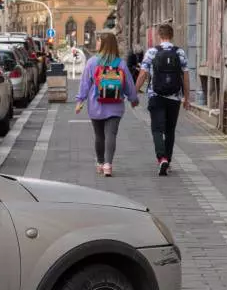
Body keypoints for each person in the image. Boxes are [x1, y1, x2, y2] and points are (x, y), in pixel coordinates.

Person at [74, 32, 139, 177]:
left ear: (103, 44)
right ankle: (108, 165)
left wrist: (80, 100)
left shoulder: (92, 62)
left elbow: (85, 83)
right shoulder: (120, 63)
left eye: (98, 42)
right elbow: (129, 84)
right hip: (115, 105)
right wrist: (133, 99)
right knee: (111, 135)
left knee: (99, 135)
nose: (96, 44)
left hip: (96, 105)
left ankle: (100, 163)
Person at [134, 24, 190, 176]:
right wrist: (186, 97)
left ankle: (162, 158)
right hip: (174, 97)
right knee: (170, 130)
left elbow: (143, 74)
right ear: (172, 35)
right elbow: (185, 76)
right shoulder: (180, 52)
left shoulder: (152, 52)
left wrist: (134, 93)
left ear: (159, 35)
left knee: (157, 129)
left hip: (156, 96)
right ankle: (169, 161)